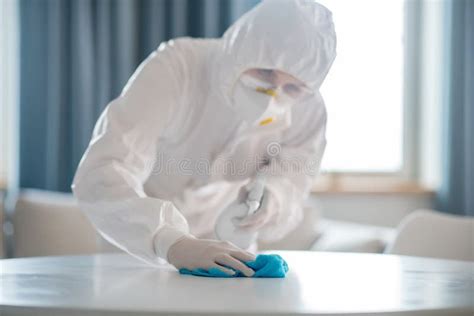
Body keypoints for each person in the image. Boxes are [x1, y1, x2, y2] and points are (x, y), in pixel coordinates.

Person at [72, 0, 336, 277]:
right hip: (138, 237)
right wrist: (170, 241)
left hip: (225, 243)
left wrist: (274, 201)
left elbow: (293, 182)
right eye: (265, 72)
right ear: (240, 49)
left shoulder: (308, 109)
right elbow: (104, 170)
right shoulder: (178, 67)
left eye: (292, 87)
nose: (272, 94)